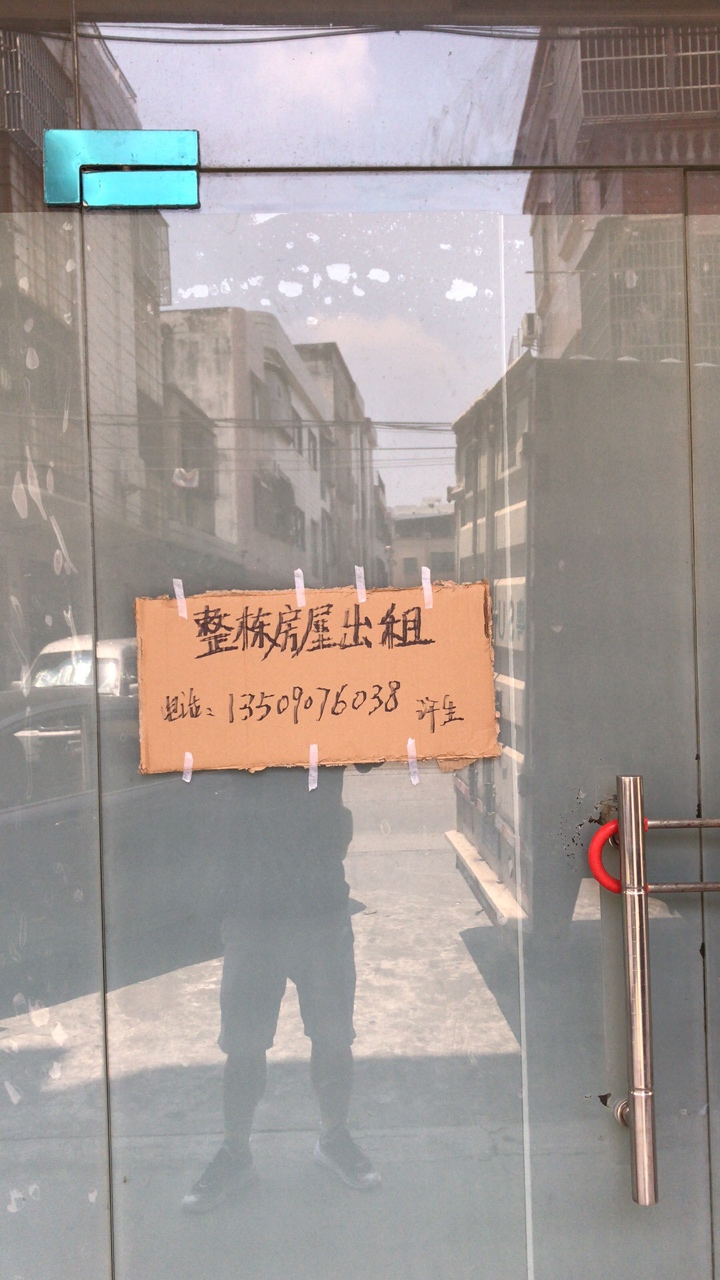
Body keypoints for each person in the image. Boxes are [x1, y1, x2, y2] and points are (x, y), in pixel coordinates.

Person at [182, 764, 381, 1213]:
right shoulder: (233, 719)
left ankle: (334, 1137)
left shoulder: (328, 715)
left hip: (320, 902)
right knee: (243, 1044)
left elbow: (372, 751)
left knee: (333, 1037)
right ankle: (236, 1151)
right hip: (252, 906)